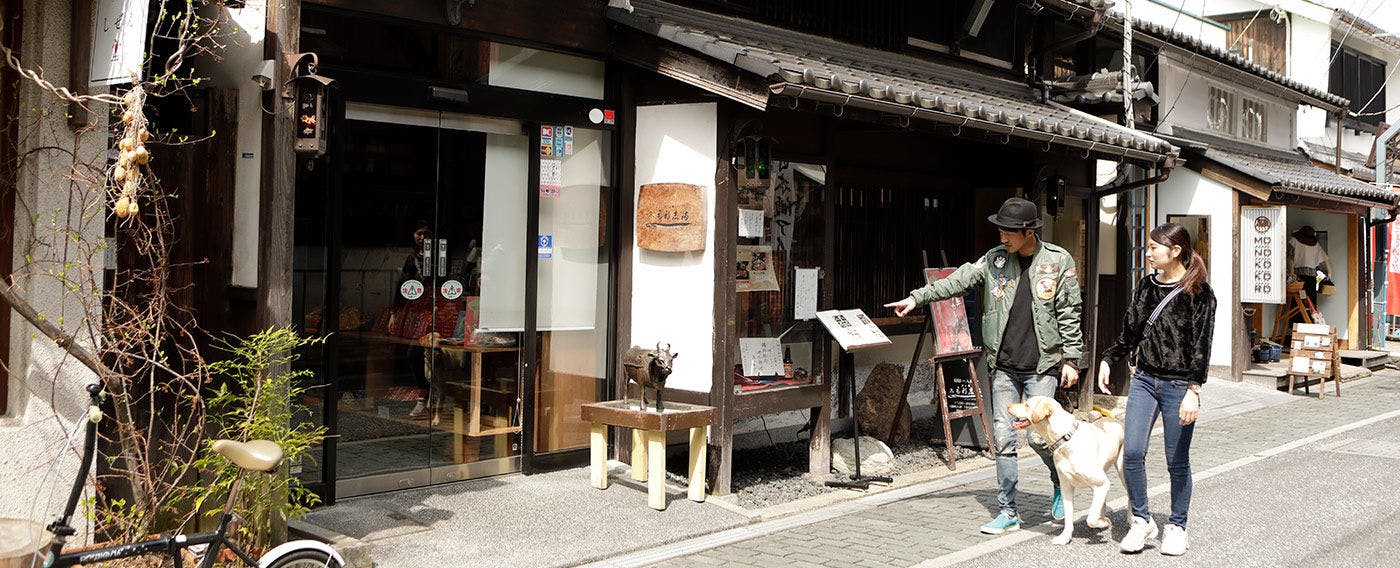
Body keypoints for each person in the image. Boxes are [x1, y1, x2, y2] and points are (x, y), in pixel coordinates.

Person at [885, 197, 1083, 535]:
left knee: (1040, 439)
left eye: (1008, 232)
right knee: (1004, 439)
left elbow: (1069, 311)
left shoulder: (1057, 261)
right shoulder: (994, 261)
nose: (1002, 238)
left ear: (1028, 232)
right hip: (1004, 364)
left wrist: (1073, 359)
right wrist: (917, 297)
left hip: (1043, 365)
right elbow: (957, 280)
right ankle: (1008, 511)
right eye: (1001, 231)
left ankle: (1059, 485)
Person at [1097, 222, 1216, 556]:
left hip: (1180, 384)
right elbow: (1131, 331)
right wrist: (1110, 358)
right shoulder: (1146, 286)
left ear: (1175, 251)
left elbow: (1201, 346)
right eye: (1147, 247)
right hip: (1145, 380)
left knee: (1176, 461)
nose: (1147, 252)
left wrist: (1195, 389)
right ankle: (1141, 520)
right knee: (1132, 453)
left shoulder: (1200, 292)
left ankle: (1177, 525)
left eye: (1153, 247)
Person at [1288, 225, 1331, 308]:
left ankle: (1296, 320)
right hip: (1311, 278)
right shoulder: (1315, 244)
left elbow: (1291, 258)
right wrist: (1329, 272)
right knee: (1310, 302)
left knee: (1297, 303)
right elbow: (1325, 258)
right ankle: (1310, 319)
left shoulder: (1293, 241)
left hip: (1298, 276)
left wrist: (1291, 273)